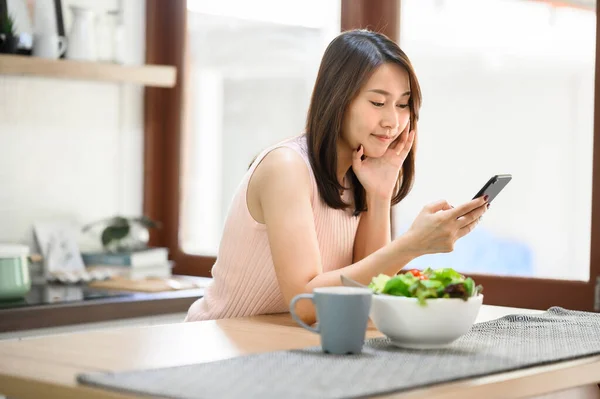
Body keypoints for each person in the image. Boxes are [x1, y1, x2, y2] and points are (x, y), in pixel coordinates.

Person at [185, 29, 488, 325]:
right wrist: (412, 244)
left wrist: (379, 196)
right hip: (218, 342)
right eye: (378, 103)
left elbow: (367, 295)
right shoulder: (287, 167)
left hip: (286, 348)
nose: (393, 121)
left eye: (402, 104)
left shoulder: (359, 175)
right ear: (338, 99)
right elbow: (305, 304)